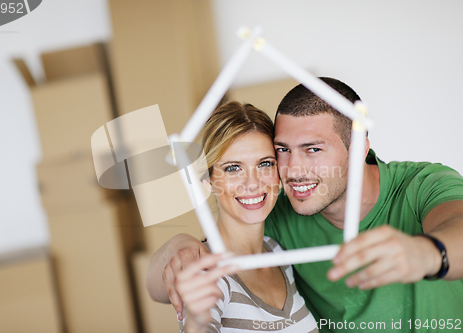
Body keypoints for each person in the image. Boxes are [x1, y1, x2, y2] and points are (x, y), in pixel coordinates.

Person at [147, 78, 463, 333]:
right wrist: (178, 246)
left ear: (357, 150)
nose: (293, 170)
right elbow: (171, 287)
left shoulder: (422, 184)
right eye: (283, 150)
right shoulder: (278, 217)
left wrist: (427, 253)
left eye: (312, 149)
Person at [175, 101, 318, 332]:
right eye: (233, 168)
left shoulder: (277, 253)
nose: (252, 183)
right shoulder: (206, 272)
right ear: (208, 181)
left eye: (264, 164)